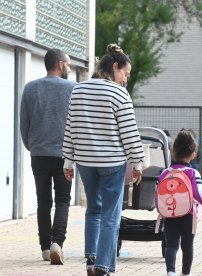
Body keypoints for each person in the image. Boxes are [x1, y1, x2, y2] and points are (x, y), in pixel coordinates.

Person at [62, 44, 144, 276]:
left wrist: (68, 161)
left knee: (93, 210)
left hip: (85, 162)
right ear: (115, 67)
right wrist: (137, 163)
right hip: (111, 162)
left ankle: (90, 260)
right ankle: (103, 266)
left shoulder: (78, 90)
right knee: (111, 214)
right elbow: (130, 132)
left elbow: (71, 127)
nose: (125, 79)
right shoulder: (118, 94)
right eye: (124, 73)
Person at [20, 48, 76, 265]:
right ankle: (57, 244)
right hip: (64, 155)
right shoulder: (73, 88)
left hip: (39, 154)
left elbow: (24, 123)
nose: (69, 69)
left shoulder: (30, 88)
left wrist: (31, 145)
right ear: (61, 64)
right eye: (69, 65)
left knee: (43, 201)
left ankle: (44, 247)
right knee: (63, 200)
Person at [159, 130, 202, 276]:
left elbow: (158, 196)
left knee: (171, 245)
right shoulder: (193, 173)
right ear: (193, 154)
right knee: (187, 246)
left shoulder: (165, 173)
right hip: (189, 215)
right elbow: (199, 195)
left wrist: (160, 210)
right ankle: (185, 273)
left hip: (169, 214)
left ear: (173, 151)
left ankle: (171, 272)